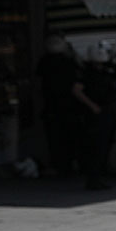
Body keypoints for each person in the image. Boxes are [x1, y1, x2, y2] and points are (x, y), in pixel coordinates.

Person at [72, 43, 116, 190]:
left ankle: (98, 176)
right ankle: (93, 178)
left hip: (107, 112)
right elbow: (76, 90)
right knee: (95, 148)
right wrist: (92, 106)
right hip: (95, 115)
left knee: (104, 146)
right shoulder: (86, 72)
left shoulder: (106, 71)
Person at [36, 35, 81, 177]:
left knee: (56, 140)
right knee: (67, 139)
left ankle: (60, 165)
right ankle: (67, 165)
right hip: (67, 109)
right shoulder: (68, 62)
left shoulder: (45, 63)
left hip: (54, 109)